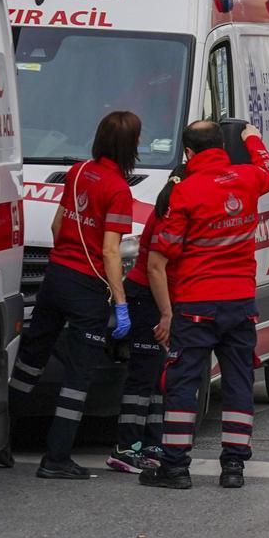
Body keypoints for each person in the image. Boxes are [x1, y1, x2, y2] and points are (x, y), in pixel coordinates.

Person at [140, 121, 269, 490]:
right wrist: (252, 137)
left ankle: (175, 467)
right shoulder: (248, 178)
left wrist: (166, 313)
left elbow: (159, 258)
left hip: (195, 304)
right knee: (238, 382)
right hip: (240, 304)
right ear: (222, 144)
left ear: (187, 153)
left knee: (184, 384)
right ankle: (234, 466)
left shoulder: (185, 193)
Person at [8, 111, 139, 479]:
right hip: (85, 287)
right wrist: (121, 303)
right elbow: (111, 251)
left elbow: (56, 224)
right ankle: (57, 458)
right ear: (130, 147)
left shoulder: (78, 171)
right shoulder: (118, 190)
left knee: (31, 359)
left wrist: (66, 259)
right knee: (79, 376)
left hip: (56, 276)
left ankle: (0, 442)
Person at [105, 166, 185, 474]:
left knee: (154, 378)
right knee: (142, 376)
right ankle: (126, 448)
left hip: (156, 297)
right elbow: (155, 268)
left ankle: (151, 445)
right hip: (147, 297)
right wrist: (167, 312)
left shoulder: (171, 208)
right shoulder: (170, 213)